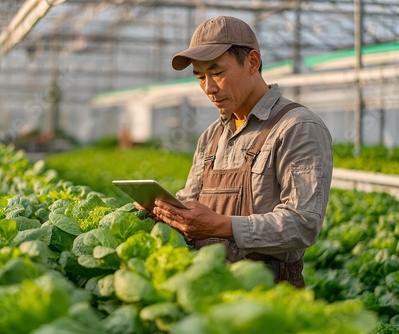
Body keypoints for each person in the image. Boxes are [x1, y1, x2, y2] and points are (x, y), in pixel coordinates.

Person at [140, 15, 333, 288]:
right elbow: (191, 200)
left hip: (268, 295)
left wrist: (222, 226)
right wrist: (164, 210)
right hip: (208, 286)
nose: (209, 88)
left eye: (217, 73)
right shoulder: (211, 136)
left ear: (252, 62)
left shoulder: (297, 126)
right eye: (200, 76)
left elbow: (303, 224)